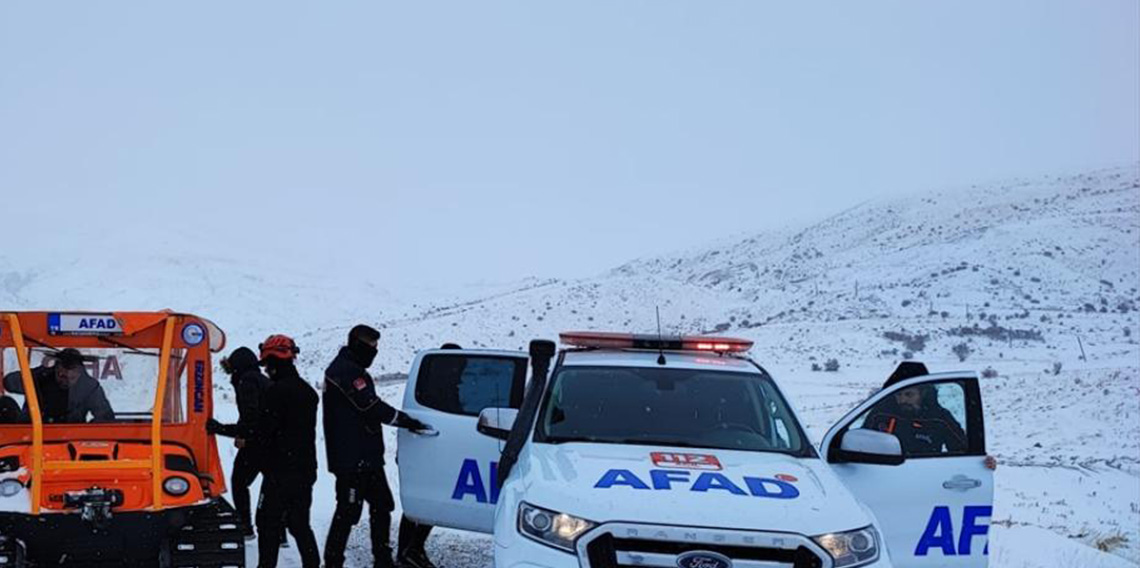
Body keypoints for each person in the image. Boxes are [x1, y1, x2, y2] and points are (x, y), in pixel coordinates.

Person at [322, 325, 430, 568]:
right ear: (356, 344)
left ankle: (382, 558)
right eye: (370, 347)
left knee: (382, 505)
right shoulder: (345, 371)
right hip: (351, 458)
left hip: (366, 455)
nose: (374, 352)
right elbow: (370, 406)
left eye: (376, 348)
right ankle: (332, 561)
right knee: (348, 511)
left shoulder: (352, 367)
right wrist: (404, 420)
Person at [252, 335, 321, 568]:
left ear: (272, 363)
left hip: (279, 473)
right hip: (305, 469)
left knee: (266, 523)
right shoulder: (308, 392)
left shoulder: (275, 393)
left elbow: (264, 433)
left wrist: (259, 460)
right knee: (299, 524)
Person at [395, 342, 461, 568]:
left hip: (429, 450)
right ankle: (408, 550)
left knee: (426, 500)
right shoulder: (439, 389)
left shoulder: (435, 385)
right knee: (424, 501)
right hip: (430, 451)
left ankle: (410, 549)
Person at [206, 347, 273, 538]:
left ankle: (245, 527)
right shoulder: (261, 380)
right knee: (272, 485)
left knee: (239, 482)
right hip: (271, 441)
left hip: (257, 443)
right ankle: (279, 531)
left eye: (232, 368)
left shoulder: (247, 381)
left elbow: (251, 416)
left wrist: (222, 429)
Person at [1, 348, 113, 423]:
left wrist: (88, 434)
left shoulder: (89, 387)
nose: (66, 381)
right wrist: (37, 373)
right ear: (56, 368)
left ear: (80, 372)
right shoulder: (40, 377)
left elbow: (105, 416)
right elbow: (9, 383)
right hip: (32, 435)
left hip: (71, 439)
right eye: (62, 376)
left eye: (72, 377)